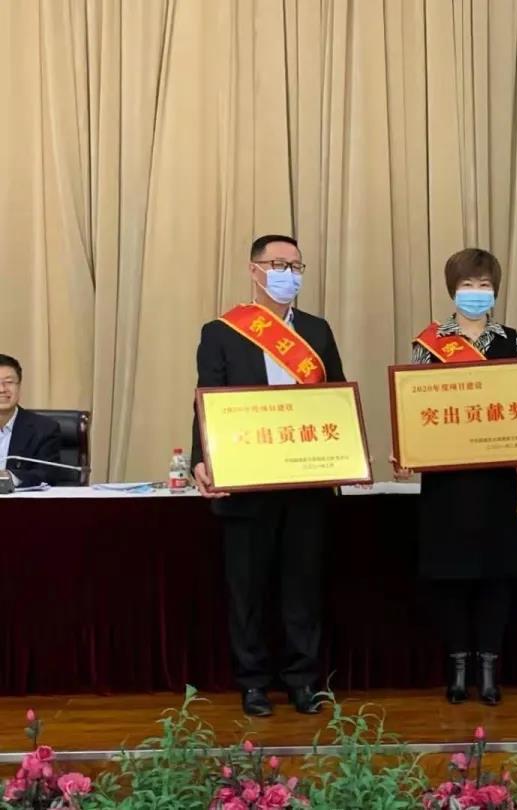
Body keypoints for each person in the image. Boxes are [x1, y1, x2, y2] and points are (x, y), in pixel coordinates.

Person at [190, 234, 345, 717]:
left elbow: (336, 398)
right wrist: (202, 458)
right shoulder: (222, 332)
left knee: (303, 586)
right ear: (254, 270)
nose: (288, 274)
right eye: (278, 264)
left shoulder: (317, 331)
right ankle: (253, 682)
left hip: (305, 483)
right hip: (247, 482)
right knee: (248, 590)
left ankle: (303, 680)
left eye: (296, 266)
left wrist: (346, 457)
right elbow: (206, 400)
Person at [395, 249, 517, 707]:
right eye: (467, 285)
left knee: (497, 575)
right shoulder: (429, 344)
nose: (476, 293)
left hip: (498, 480)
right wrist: (407, 449)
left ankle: (489, 669)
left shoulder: (512, 340)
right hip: (448, 483)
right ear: (452, 290)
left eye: (484, 285)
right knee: (450, 575)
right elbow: (415, 406)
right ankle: (457, 668)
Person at [0, 354, 62, 487]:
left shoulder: (45, 429)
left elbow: (47, 474)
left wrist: (9, 478)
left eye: (9, 382)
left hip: (18, 499)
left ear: (19, 386)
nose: (2, 389)